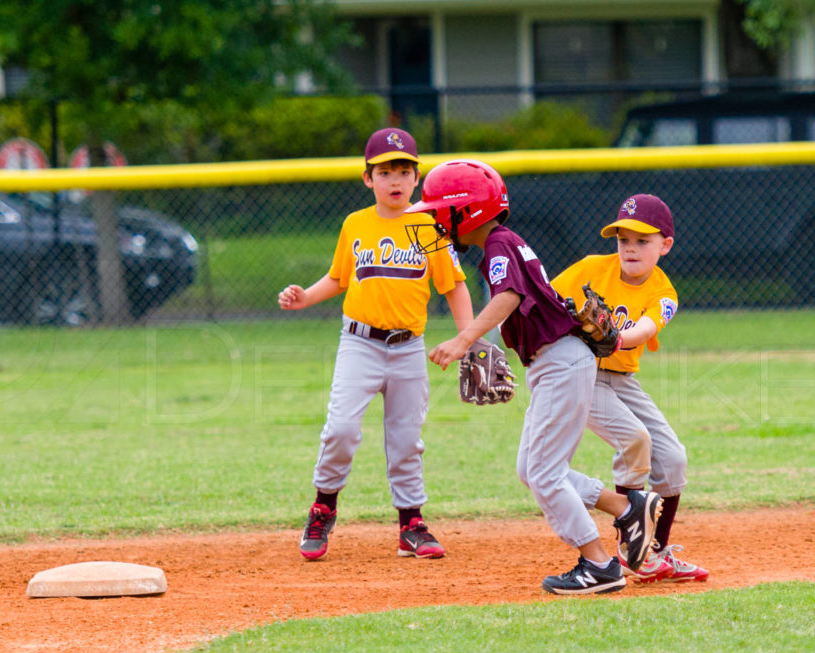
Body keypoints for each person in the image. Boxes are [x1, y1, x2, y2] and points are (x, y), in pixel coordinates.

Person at [406, 159, 663, 595]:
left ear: (465, 211)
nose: (433, 221)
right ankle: (625, 508)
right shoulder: (504, 244)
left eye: (437, 212)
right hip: (556, 362)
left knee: (544, 473)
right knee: (532, 468)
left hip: (561, 362)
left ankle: (599, 564)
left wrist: (464, 340)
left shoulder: (499, 246)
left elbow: (509, 294)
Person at [277, 128, 473, 561]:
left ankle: (411, 524)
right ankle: (323, 507)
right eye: (386, 172)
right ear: (369, 179)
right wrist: (306, 297)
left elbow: (454, 286)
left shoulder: (430, 227)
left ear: (417, 177)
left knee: (406, 439)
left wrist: (468, 339)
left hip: (409, 348)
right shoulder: (356, 224)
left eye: (404, 170)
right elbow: (339, 277)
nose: (396, 180)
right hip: (359, 345)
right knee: (342, 430)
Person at [551, 193, 709, 583]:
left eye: (642, 240)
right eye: (624, 240)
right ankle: (628, 546)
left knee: (673, 458)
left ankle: (653, 554)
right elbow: (545, 299)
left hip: (622, 377)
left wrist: (617, 336)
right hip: (579, 373)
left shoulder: (664, 291)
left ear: (665, 245)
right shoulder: (591, 268)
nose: (631, 248)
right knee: (635, 438)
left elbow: (646, 328)